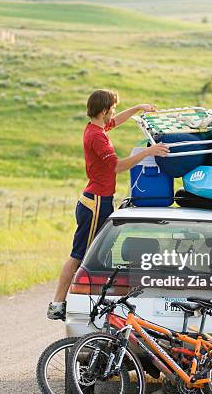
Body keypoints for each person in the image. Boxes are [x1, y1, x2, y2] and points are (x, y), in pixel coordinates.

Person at [47, 89, 169, 320]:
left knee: (94, 254)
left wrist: (138, 108)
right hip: (95, 204)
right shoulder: (97, 137)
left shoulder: (97, 128)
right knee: (79, 255)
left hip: (98, 199)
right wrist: (148, 152)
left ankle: (81, 300)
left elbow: (115, 121)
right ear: (103, 110)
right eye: (111, 108)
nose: (113, 113)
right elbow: (116, 167)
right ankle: (57, 304)